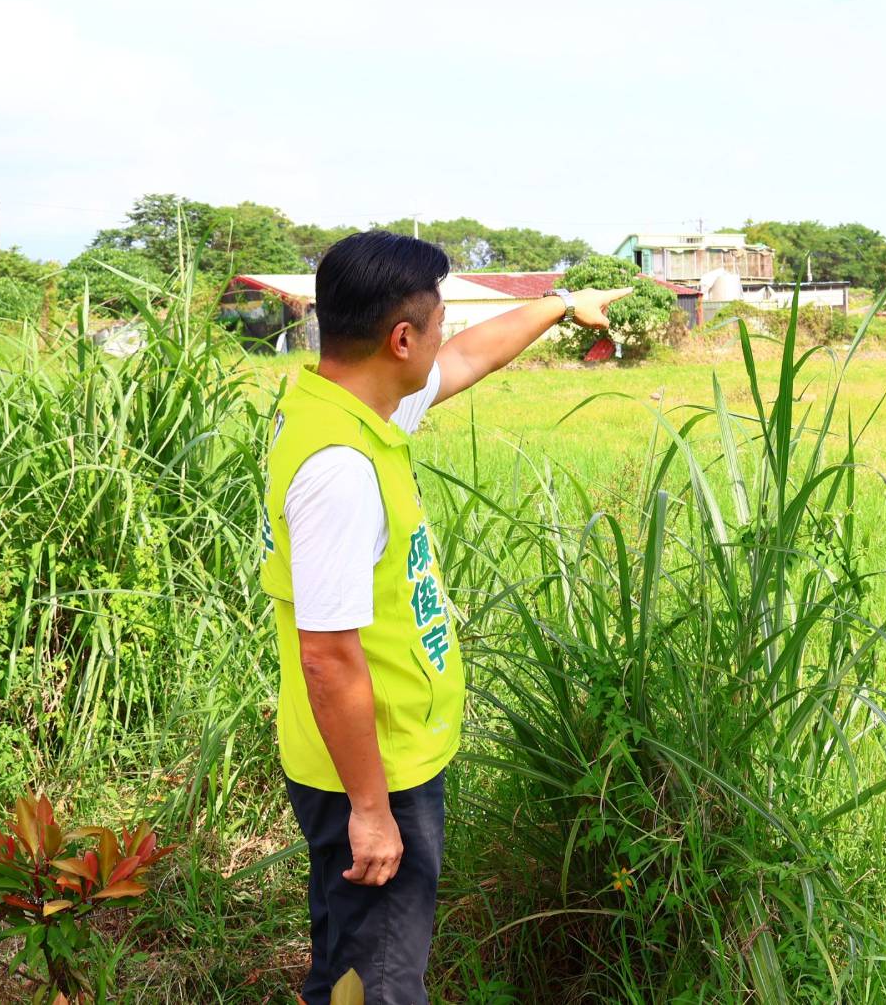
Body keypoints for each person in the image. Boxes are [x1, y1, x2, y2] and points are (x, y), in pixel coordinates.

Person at [258, 230, 630, 1004]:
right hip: (371, 768)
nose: (444, 341)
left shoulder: (348, 406)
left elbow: (470, 359)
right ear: (401, 338)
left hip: (363, 753)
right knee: (384, 978)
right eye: (435, 325)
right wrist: (370, 810)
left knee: (346, 953)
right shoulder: (341, 469)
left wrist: (562, 306)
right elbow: (327, 655)